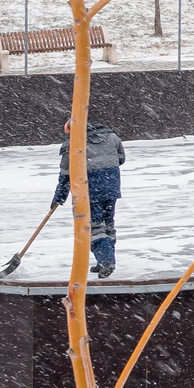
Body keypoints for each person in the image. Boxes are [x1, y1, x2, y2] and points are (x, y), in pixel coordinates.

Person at [52, 119, 128, 279]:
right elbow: (121, 159)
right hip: (111, 188)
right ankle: (105, 260)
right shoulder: (112, 137)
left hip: (90, 191)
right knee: (108, 224)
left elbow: (66, 175)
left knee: (94, 228)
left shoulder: (73, 144)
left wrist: (59, 198)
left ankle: (107, 261)